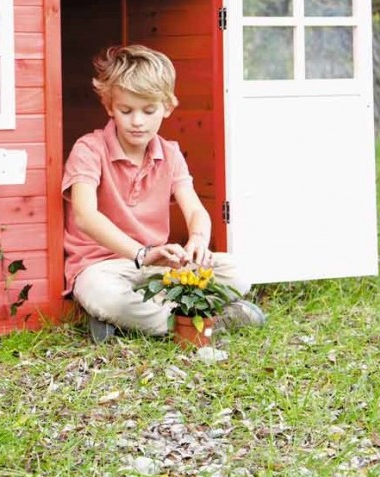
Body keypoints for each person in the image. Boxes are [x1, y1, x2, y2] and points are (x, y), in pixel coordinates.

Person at [63, 44, 264, 342]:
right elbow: (84, 215)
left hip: (159, 267)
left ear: (168, 107)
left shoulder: (169, 154)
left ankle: (135, 321)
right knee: (104, 294)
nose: (137, 121)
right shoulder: (89, 149)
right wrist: (141, 254)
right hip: (101, 267)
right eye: (126, 110)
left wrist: (198, 241)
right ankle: (204, 321)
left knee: (236, 273)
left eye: (149, 110)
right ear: (109, 107)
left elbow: (195, 210)